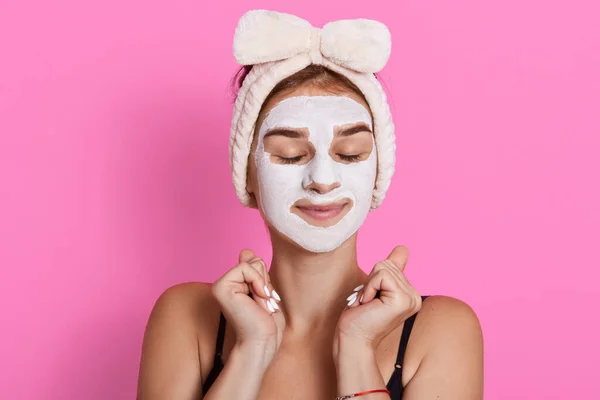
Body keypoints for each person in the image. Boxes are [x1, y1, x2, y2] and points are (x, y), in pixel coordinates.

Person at [137, 10, 484, 400]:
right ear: (247, 173)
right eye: (289, 155)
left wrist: (356, 348)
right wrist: (250, 353)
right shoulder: (187, 318)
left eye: (350, 154)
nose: (321, 179)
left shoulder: (440, 329)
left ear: (377, 172)